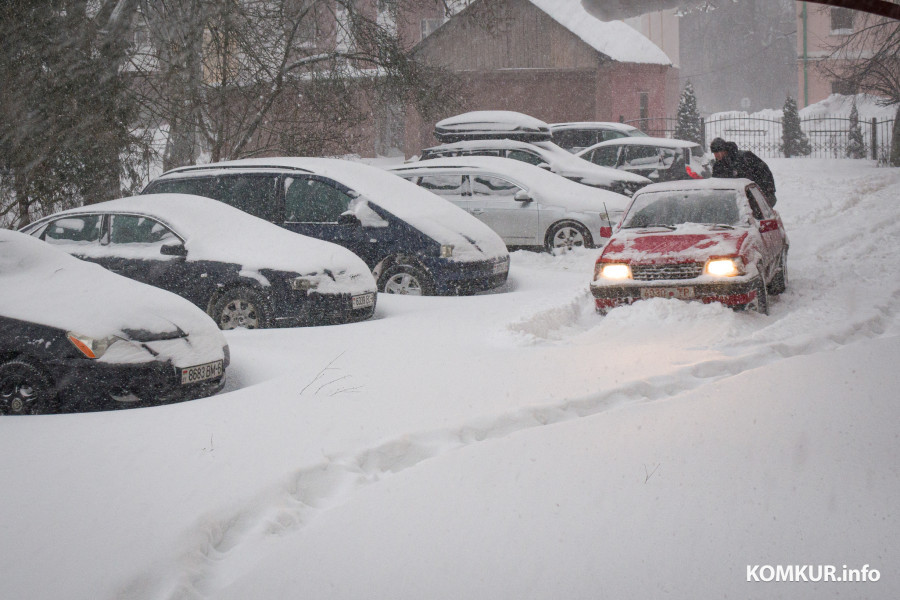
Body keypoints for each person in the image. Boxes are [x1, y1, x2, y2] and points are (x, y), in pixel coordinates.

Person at [709, 137, 777, 206]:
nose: (716, 155)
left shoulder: (745, 158)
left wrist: (768, 193)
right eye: (714, 153)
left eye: (717, 152)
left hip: (756, 198)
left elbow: (764, 173)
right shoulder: (718, 166)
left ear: (724, 150)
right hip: (732, 202)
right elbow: (716, 184)